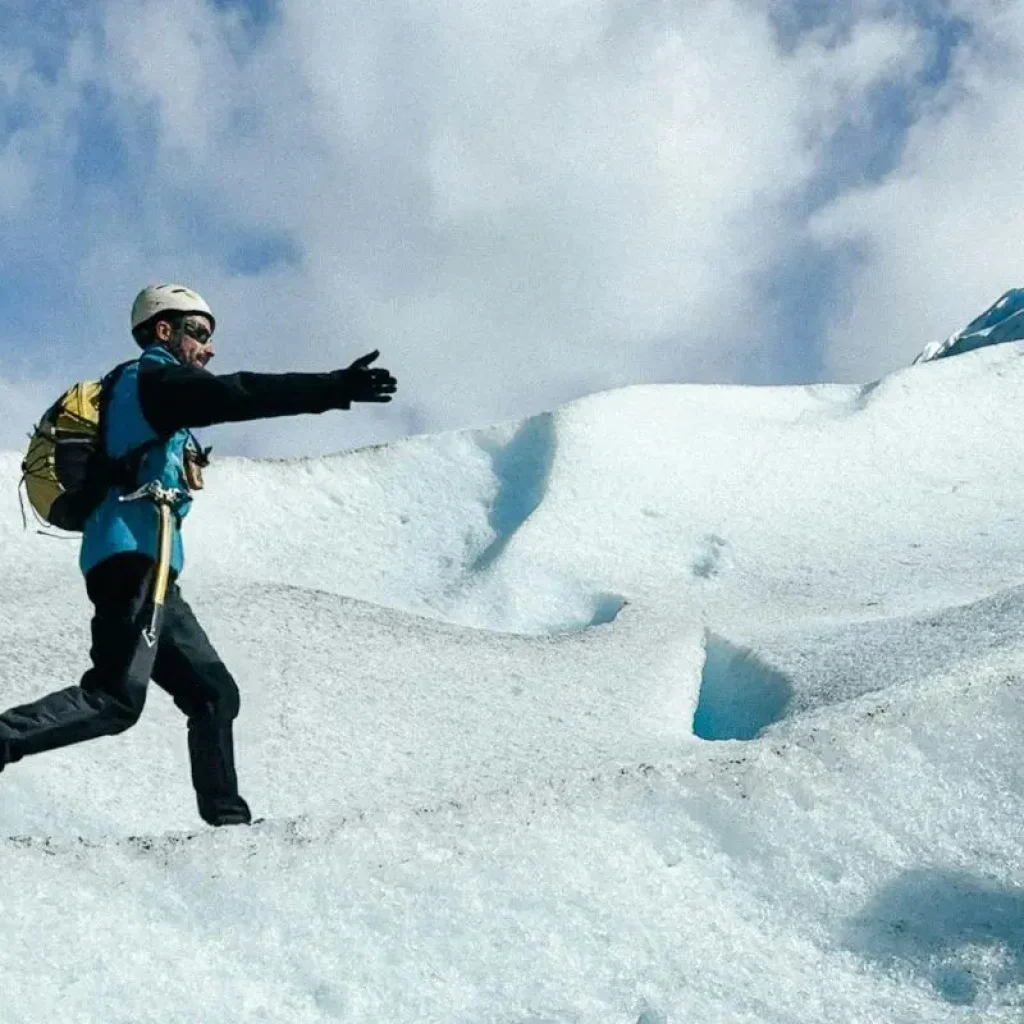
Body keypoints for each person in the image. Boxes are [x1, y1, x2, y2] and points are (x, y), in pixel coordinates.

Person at [0, 284, 397, 826]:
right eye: (200, 334)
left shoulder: (143, 393)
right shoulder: (152, 380)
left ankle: (229, 827)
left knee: (213, 694)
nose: (208, 349)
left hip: (153, 567)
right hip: (132, 561)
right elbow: (237, 394)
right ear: (164, 331)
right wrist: (333, 387)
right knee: (115, 698)